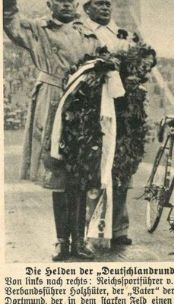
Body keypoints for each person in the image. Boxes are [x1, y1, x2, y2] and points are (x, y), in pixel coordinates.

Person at [3, 0, 100, 260]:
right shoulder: (38, 29)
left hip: (82, 105)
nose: (67, 3)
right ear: (50, 3)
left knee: (79, 174)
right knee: (58, 173)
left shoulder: (88, 33)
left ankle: (79, 240)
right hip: (52, 103)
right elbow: (10, 24)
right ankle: (61, 241)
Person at [82, 0, 133, 247]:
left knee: (122, 163)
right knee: (94, 166)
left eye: (107, 3)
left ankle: (119, 226)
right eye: (98, 3)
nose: (105, 8)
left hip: (122, 105)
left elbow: (137, 62)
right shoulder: (81, 31)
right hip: (93, 105)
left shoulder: (121, 34)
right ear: (86, 7)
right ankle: (91, 226)